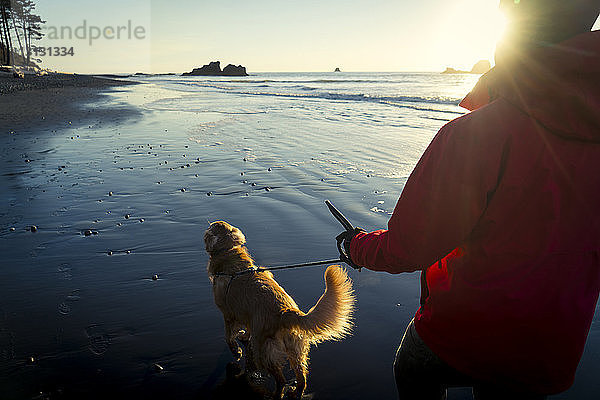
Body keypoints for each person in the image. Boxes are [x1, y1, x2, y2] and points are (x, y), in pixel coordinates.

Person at [341, 1, 600, 399]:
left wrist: (357, 246)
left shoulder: (478, 134)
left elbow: (409, 248)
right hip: (552, 346)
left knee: (411, 369)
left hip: (467, 332)